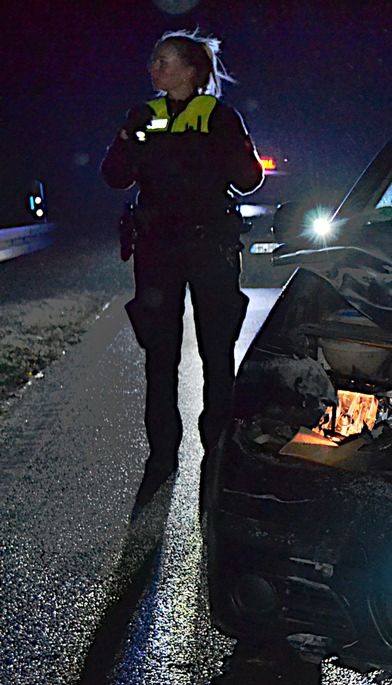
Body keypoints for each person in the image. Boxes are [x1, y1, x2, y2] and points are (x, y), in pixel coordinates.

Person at [101, 30, 263, 499]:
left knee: (217, 354)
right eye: (153, 60)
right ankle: (162, 457)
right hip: (156, 251)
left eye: (164, 61)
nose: (154, 68)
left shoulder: (219, 117)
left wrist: (222, 149)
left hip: (209, 249)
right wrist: (128, 140)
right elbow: (114, 176)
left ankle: (217, 453)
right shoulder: (142, 117)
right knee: (159, 357)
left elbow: (249, 179)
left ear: (191, 71)